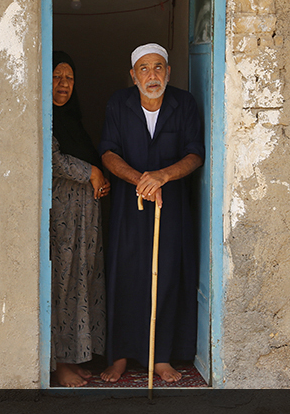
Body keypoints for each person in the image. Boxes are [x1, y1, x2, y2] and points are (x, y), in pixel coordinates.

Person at [98, 43, 204, 383]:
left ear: (169, 72)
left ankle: (160, 358)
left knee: (168, 274)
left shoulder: (183, 103)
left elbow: (195, 153)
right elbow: (108, 152)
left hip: (171, 208)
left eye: (159, 67)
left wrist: (162, 176)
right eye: (144, 68)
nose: (152, 75)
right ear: (133, 75)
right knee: (126, 276)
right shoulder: (119, 103)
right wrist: (140, 180)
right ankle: (121, 356)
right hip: (130, 209)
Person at [50, 51, 109, 387]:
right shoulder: (47, 117)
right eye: (57, 77)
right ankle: (59, 362)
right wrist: (92, 172)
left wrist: (99, 177)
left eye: (69, 78)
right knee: (62, 282)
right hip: (63, 216)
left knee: (81, 284)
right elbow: (54, 159)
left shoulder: (72, 118)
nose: (63, 84)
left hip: (84, 217)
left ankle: (74, 356)